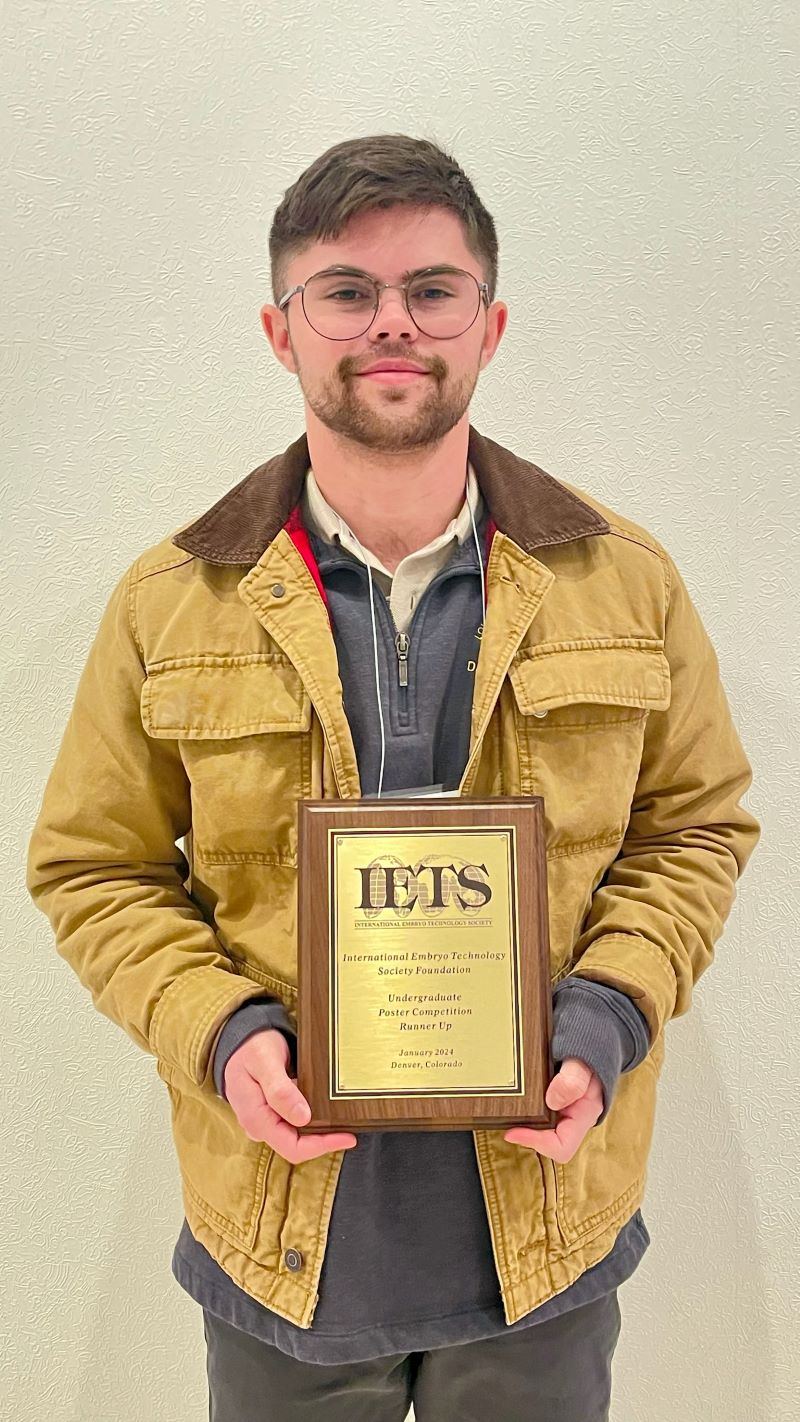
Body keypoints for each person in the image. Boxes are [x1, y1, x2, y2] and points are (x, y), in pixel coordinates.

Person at [26, 134, 761, 1422]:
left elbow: (694, 828)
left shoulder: (626, 581)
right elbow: (96, 869)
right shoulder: (168, 604)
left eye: (433, 289)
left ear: (490, 323)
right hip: (284, 1244)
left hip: (545, 1242)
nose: (393, 327)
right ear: (280, 328)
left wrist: (608, 1019)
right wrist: (222, 1033)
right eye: (346, 292)